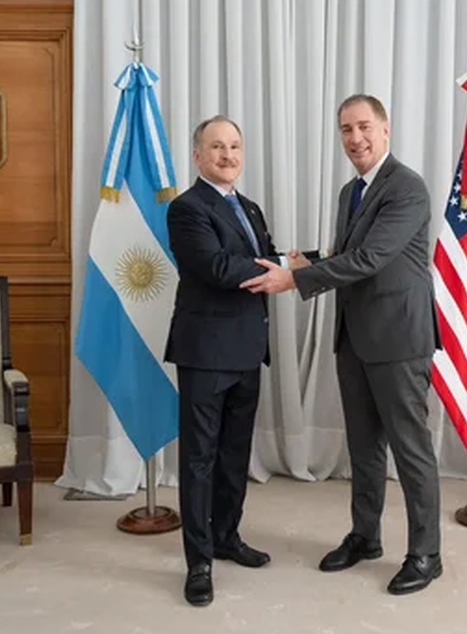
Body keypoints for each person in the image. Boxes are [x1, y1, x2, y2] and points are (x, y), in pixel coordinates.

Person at [240, 94, 442, 595]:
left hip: (397, 338)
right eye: (346, 130)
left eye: (364, 127)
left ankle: (426, 553)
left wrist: (295, 282)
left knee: (410, 450)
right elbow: (343, 254)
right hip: (353, 336)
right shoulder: (349, 192)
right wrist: (300, 261)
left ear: (386, 129)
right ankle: (365, 536)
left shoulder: (407, 188)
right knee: (364, 448)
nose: (356, 139)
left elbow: (371, 257)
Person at [164, 115, 302, 606]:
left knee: (234, 454)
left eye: (235, 146)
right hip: (205, 352)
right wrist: (283, 268)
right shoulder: (186, 208)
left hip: (247, 349)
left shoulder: (249, 207)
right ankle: (198, 561)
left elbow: (262, 256)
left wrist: (299, 261)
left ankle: (226, 537)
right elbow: (218, 268)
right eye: (217, 147)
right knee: (199, 459)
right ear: (198, 155)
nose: (228, 155)